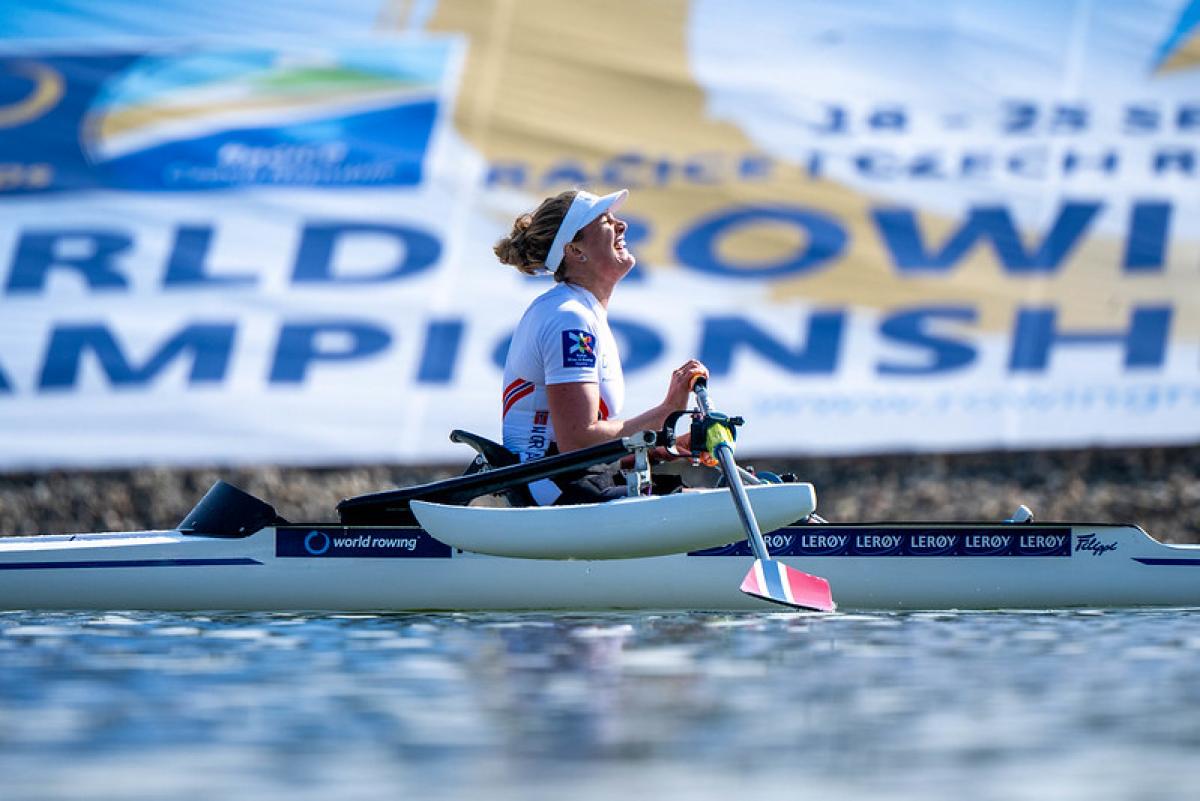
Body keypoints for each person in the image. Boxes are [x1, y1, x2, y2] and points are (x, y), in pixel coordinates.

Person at [493, 188, 708, 505]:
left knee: (713, 497)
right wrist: (665, 413)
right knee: (716, 505)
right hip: (552, 487)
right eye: (607, 221)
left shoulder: (580, 312)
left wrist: (664, 445)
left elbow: (587, 449)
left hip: (568, 480)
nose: (622, 226)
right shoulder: (569, 319)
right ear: (575, 250)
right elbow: (578, 442)